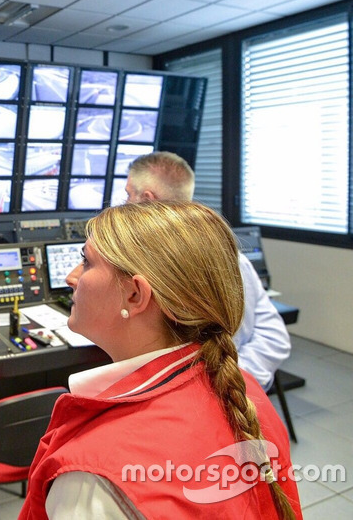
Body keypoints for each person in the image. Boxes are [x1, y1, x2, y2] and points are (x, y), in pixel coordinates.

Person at [19, 201, 302, 519]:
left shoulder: (92, 478)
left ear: (135, 295)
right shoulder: (246, 392)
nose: (71, 277)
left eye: (86, 262)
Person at [124, 151, 290, 390]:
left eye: (128, 195)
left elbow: (272, 334)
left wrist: (227, 385)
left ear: (148, 199)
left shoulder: (150, 267)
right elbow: (274, 336)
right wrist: (236, 384)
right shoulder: (231, 258)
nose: (125, 204)